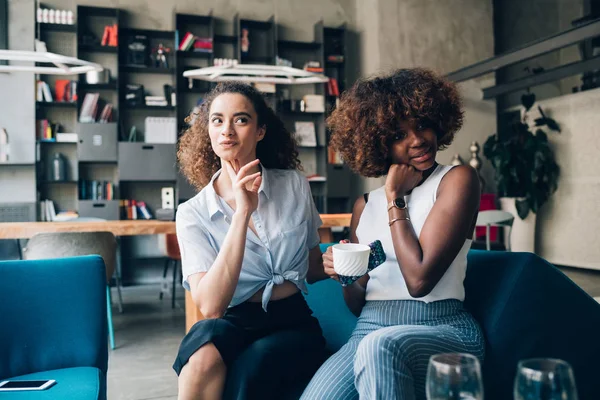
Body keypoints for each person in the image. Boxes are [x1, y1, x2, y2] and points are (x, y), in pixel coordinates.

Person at [301, 68, 485, 400]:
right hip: (368, 329)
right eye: (399, 135)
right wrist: (346, 275)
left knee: (378, 347)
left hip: (441, 328)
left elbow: (419, 281)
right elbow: (358, 305)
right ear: (378, 143)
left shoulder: (457, 180)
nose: (417, 140)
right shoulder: (364, 205)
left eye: (422, 124)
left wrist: (394, 198)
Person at [174, 82, 328, 400]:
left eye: (241, 119)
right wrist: (243, 212)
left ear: (260, 131)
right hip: (234, 319)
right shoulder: (192, 213)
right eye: (217, 120)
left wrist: (344, 262)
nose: (227, 130)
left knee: (256, 361)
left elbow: (312, 265)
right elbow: (211, 306)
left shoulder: (295, 186)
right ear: (208, 131)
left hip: (292, 321)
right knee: (202, 347)